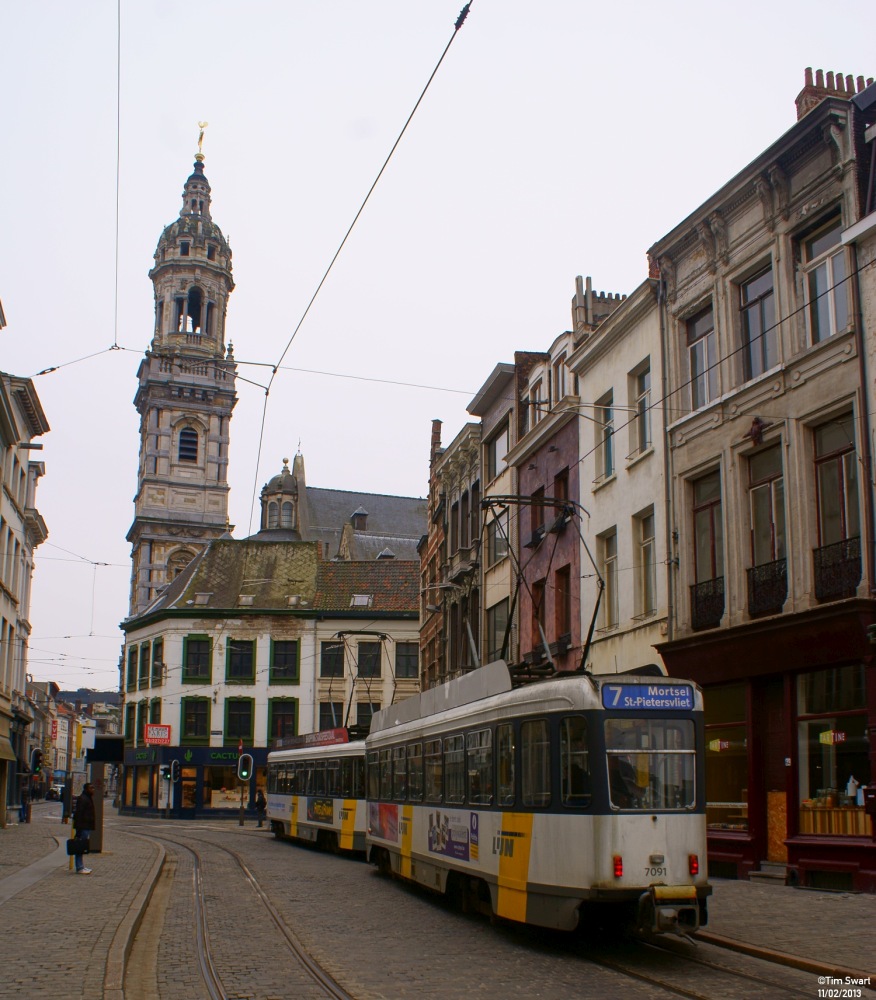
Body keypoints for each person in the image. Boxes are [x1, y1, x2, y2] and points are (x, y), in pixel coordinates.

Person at [72, 782, 96, 874]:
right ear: (86, 789)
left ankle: (81, 866)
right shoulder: (83, 799)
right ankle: (79, 867)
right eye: (91, 788)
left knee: (82, 846)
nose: (93, 790)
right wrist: (78, 829)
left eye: (93, 788)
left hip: (85, 826)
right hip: (83, 826)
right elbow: (79, 814)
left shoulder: (87, 798)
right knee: (80, 847)